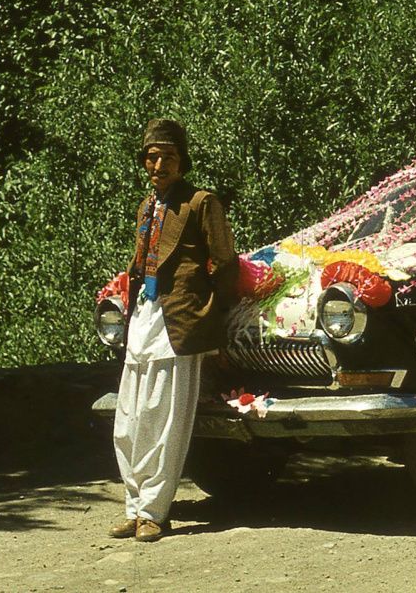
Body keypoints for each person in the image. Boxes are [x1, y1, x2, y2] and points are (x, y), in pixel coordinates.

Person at [110, 119, 238, 542]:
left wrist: (210, 318)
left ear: (182, 163)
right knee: (129, 420)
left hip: (180, 320)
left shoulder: (201, 202)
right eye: (152, 156)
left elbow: (225, 264)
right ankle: (134, 506)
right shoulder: (147, 206)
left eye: (168, 157)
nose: (159, 164)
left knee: (166, 419)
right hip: (144, 316)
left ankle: (154, 512)